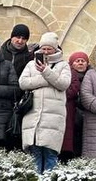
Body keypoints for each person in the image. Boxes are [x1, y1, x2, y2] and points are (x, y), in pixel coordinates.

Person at [18, 32, 69, 172]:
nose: (46, 52)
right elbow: (22, 83)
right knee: (35, 156)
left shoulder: (63, 65)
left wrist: (46, 71)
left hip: (53, 118)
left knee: (50, 155)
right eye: (43, 49)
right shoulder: (30, 64)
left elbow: (64, 84)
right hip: (33, 115)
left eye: (49, 49)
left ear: (55, 49)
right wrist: (46, 81)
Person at [62, 51, 88, 160]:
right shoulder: (66, 75)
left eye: (83, 61)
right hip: (70, 114)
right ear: (71, 63)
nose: (80, 63)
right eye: (77, 61)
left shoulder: (92, 76)